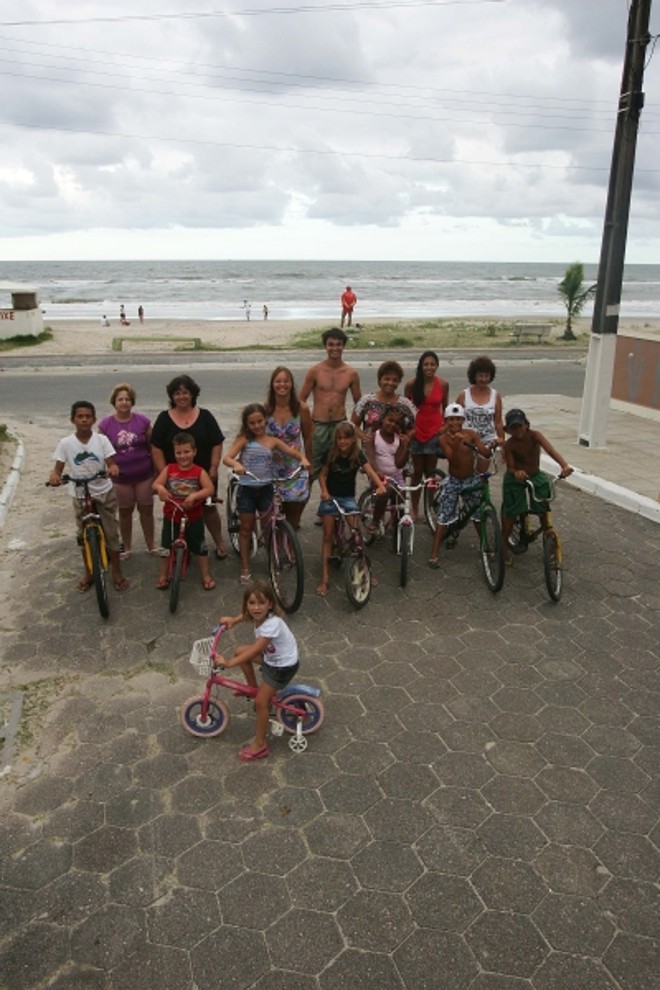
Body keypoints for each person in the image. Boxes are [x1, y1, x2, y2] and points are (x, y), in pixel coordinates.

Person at [223, 403, 311, 584]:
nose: (257, 426)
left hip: (266, 489)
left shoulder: (273, 441)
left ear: (266, 420)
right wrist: (236, 464)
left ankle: (273, 563)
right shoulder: (244, 440)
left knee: (269, 529)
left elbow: (291, 452)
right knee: (246, 529)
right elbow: (227, 458)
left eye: (260, 421)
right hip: (247, 490)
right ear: (247, 425)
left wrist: (302, 459)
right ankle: (245, 568)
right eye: (252, 423)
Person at [48, 400, 129, 593]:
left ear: (93, 419)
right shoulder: (66, 443)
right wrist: (54, 477)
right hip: (79, 493)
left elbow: (111, 462)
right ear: (72, 419)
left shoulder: (101, 440)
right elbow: (57, 468)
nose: (84, 420)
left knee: (111, 533)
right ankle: (88, 573)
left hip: (103, 491)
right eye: (80, 416)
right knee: (83, 536)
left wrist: (113, 468)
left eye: (88, 416)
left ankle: (116, 572)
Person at [215, 580, 300, 762]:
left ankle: (260, 744)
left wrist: (228, 663)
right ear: (246, 604)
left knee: (262, 703)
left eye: (261, 603)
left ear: (270, 604)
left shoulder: (272, 625)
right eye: (252, 603)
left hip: (281, 667)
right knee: (239, 650)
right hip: (273, 659)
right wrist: (233, 620)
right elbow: (246, 616)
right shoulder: (258, 615)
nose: (256, 608)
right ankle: (253, 688)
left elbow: (254, 651)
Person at [151, 374, 229, 560]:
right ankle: (179, 544)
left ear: (193, 394)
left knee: (208, 509)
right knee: (177, 511)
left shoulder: (205, 416)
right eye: (177, 393)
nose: (181, 397)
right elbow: (156, 446)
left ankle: (218, 542)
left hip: (202, 475)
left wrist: (213, 467)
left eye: (185, 392)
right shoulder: (164, 418)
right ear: (172, 396)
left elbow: (217, 442)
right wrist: (164, 473)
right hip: (176, 476)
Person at [316, 421, 385, 596]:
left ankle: (365, 569)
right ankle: (325, 578)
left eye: (346, 438)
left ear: (353, 439)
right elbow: (322, 476)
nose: (342, 442)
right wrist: (324, 491)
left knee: (357, 532)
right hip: (331, 498)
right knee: (327, 535)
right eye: (339, 438)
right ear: (335, 440)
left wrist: (379, 486)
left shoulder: (358, 455)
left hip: (347, 498)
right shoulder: (330, 454)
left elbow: (370, 471)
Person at [427, 403, 495, 569]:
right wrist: (457, 443)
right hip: (454, 480)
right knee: (443, 516)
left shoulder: (471, 434)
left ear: (463, 420)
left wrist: (491, 447)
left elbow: (483, 451)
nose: (455, 423)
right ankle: (434, 552)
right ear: (446, 421)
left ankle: (484, 545)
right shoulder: (444, 439)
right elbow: (452, 459)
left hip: (471, 479)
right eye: (451, 419)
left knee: (477, 514)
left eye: (458, 419)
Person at [501, 408, 573, 561]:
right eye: (513, 428)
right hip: (516, 479)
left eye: (520, 426)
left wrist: (564, 465)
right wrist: (516, 472)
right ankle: (503, 545)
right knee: (512, 513)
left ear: (526, 425)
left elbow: (551, 450)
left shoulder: (535, 436)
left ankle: (547, 536)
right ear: (508, 430)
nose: (517, 430)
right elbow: (511, 467)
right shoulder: (509, 445)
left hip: (535, 475)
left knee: (543, 506)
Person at [299, 328, 361, 500]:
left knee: (337, 468)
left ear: (343, 347)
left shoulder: (351, 373)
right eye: (331, 345)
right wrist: (305, 427)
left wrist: (355, 427)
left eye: (339, 345)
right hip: (318, 425)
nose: (335, 348)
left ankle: (329, 510)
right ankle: (296, 514)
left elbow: (359, 404)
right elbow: (300, 401)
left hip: (340, 425)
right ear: (325, 347)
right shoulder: (315, 371)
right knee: (312, 469)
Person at [98, 383, 157, 558]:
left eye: (127, 399)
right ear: (114, 402)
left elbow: (152, 446)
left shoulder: (143, 421)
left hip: (144, 475)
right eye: (120, 399)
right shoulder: (105, 425)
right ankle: (128, 547)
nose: (124, 402)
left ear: (132, 402)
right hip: (121, 478)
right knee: (125, 512)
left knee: (146, 510)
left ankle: (151, 545)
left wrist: (157, 472)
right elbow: (101, 451)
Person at [152, 432, 215, 590]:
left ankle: (206, 575)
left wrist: (195, 495)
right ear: (174, 453)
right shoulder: (170, 468)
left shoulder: (199, 471)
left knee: (200, 547)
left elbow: (209, 489)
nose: (183, 456)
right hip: (172, 515)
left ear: (194, 451)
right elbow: (156, 484)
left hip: (193, 516)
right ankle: (163, 575)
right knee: (166, 546)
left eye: (187, 452)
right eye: (178, 452)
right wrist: (161, 489)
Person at [264, 366, 312, 530]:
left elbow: (308, 437)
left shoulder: (302, 409)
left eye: (286, 381)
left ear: (292, 384)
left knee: (294, 511)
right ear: (272, 385)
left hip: (294, 467)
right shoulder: (265, 410)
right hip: (271, 467)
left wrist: (309, 463)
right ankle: (274, 544)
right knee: (273, 512)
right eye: (278, 381)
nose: (282, 385)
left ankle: (291, 545)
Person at [405, 351, 449, 520]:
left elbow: (445, 408)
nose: (429, 367)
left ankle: (430, 509)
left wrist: (444, 427)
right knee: (417, 472)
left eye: (432, 364)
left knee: (430, 473)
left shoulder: (443, 384)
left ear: (437, 366)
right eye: (426, 364)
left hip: (434, 432)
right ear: (421, 366)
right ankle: (414, 508)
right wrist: (408, 432)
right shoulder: (411, 384)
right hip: (417, 431)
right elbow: (406, 409)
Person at [364, 407, 410, 533]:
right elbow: (370, 457)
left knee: (402, 496)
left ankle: (398, 526)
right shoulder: (374, 437)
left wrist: (406, 447)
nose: (392, 424)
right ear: (383, 419)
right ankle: (375, 520)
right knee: (386, 490)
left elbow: (399, 464)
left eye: (397, 423)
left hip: (397, 476)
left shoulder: (398, 440)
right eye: (390, 420)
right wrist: (377, 471)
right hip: (378, 475)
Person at [456, 355, 504, 472]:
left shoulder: (495, 395)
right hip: (467, 442)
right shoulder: (464, 395)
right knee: (465, 473)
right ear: (474, 376)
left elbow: (497, 421)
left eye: (486, 376)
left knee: (482, 476)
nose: (483, 379)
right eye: (480, 375)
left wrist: (501, 439)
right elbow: (454, 419)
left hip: (487, 442)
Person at [352, 360, 416, 439]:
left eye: (395, 380)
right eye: (387, 379)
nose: (390, 383)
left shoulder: (405, 404)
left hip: (397, 451)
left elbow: (417, 425)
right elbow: (353, 424)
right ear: (380, 380)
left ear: (399, 382)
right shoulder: (366, 401)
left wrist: (407, 437)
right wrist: (364, 437)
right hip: (370, 450)